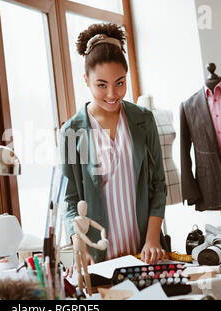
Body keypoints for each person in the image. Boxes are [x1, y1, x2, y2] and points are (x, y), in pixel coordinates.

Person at [60, 23, 167, 276]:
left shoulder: (144, 120)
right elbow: (71, 200)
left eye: (120, 83)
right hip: (99, 260)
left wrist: (152, 239)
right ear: (85, 80)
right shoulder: (71, 132)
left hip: (146, 255)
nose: (112, 94)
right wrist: (80, 245)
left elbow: (158, 184)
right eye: (101, 85)